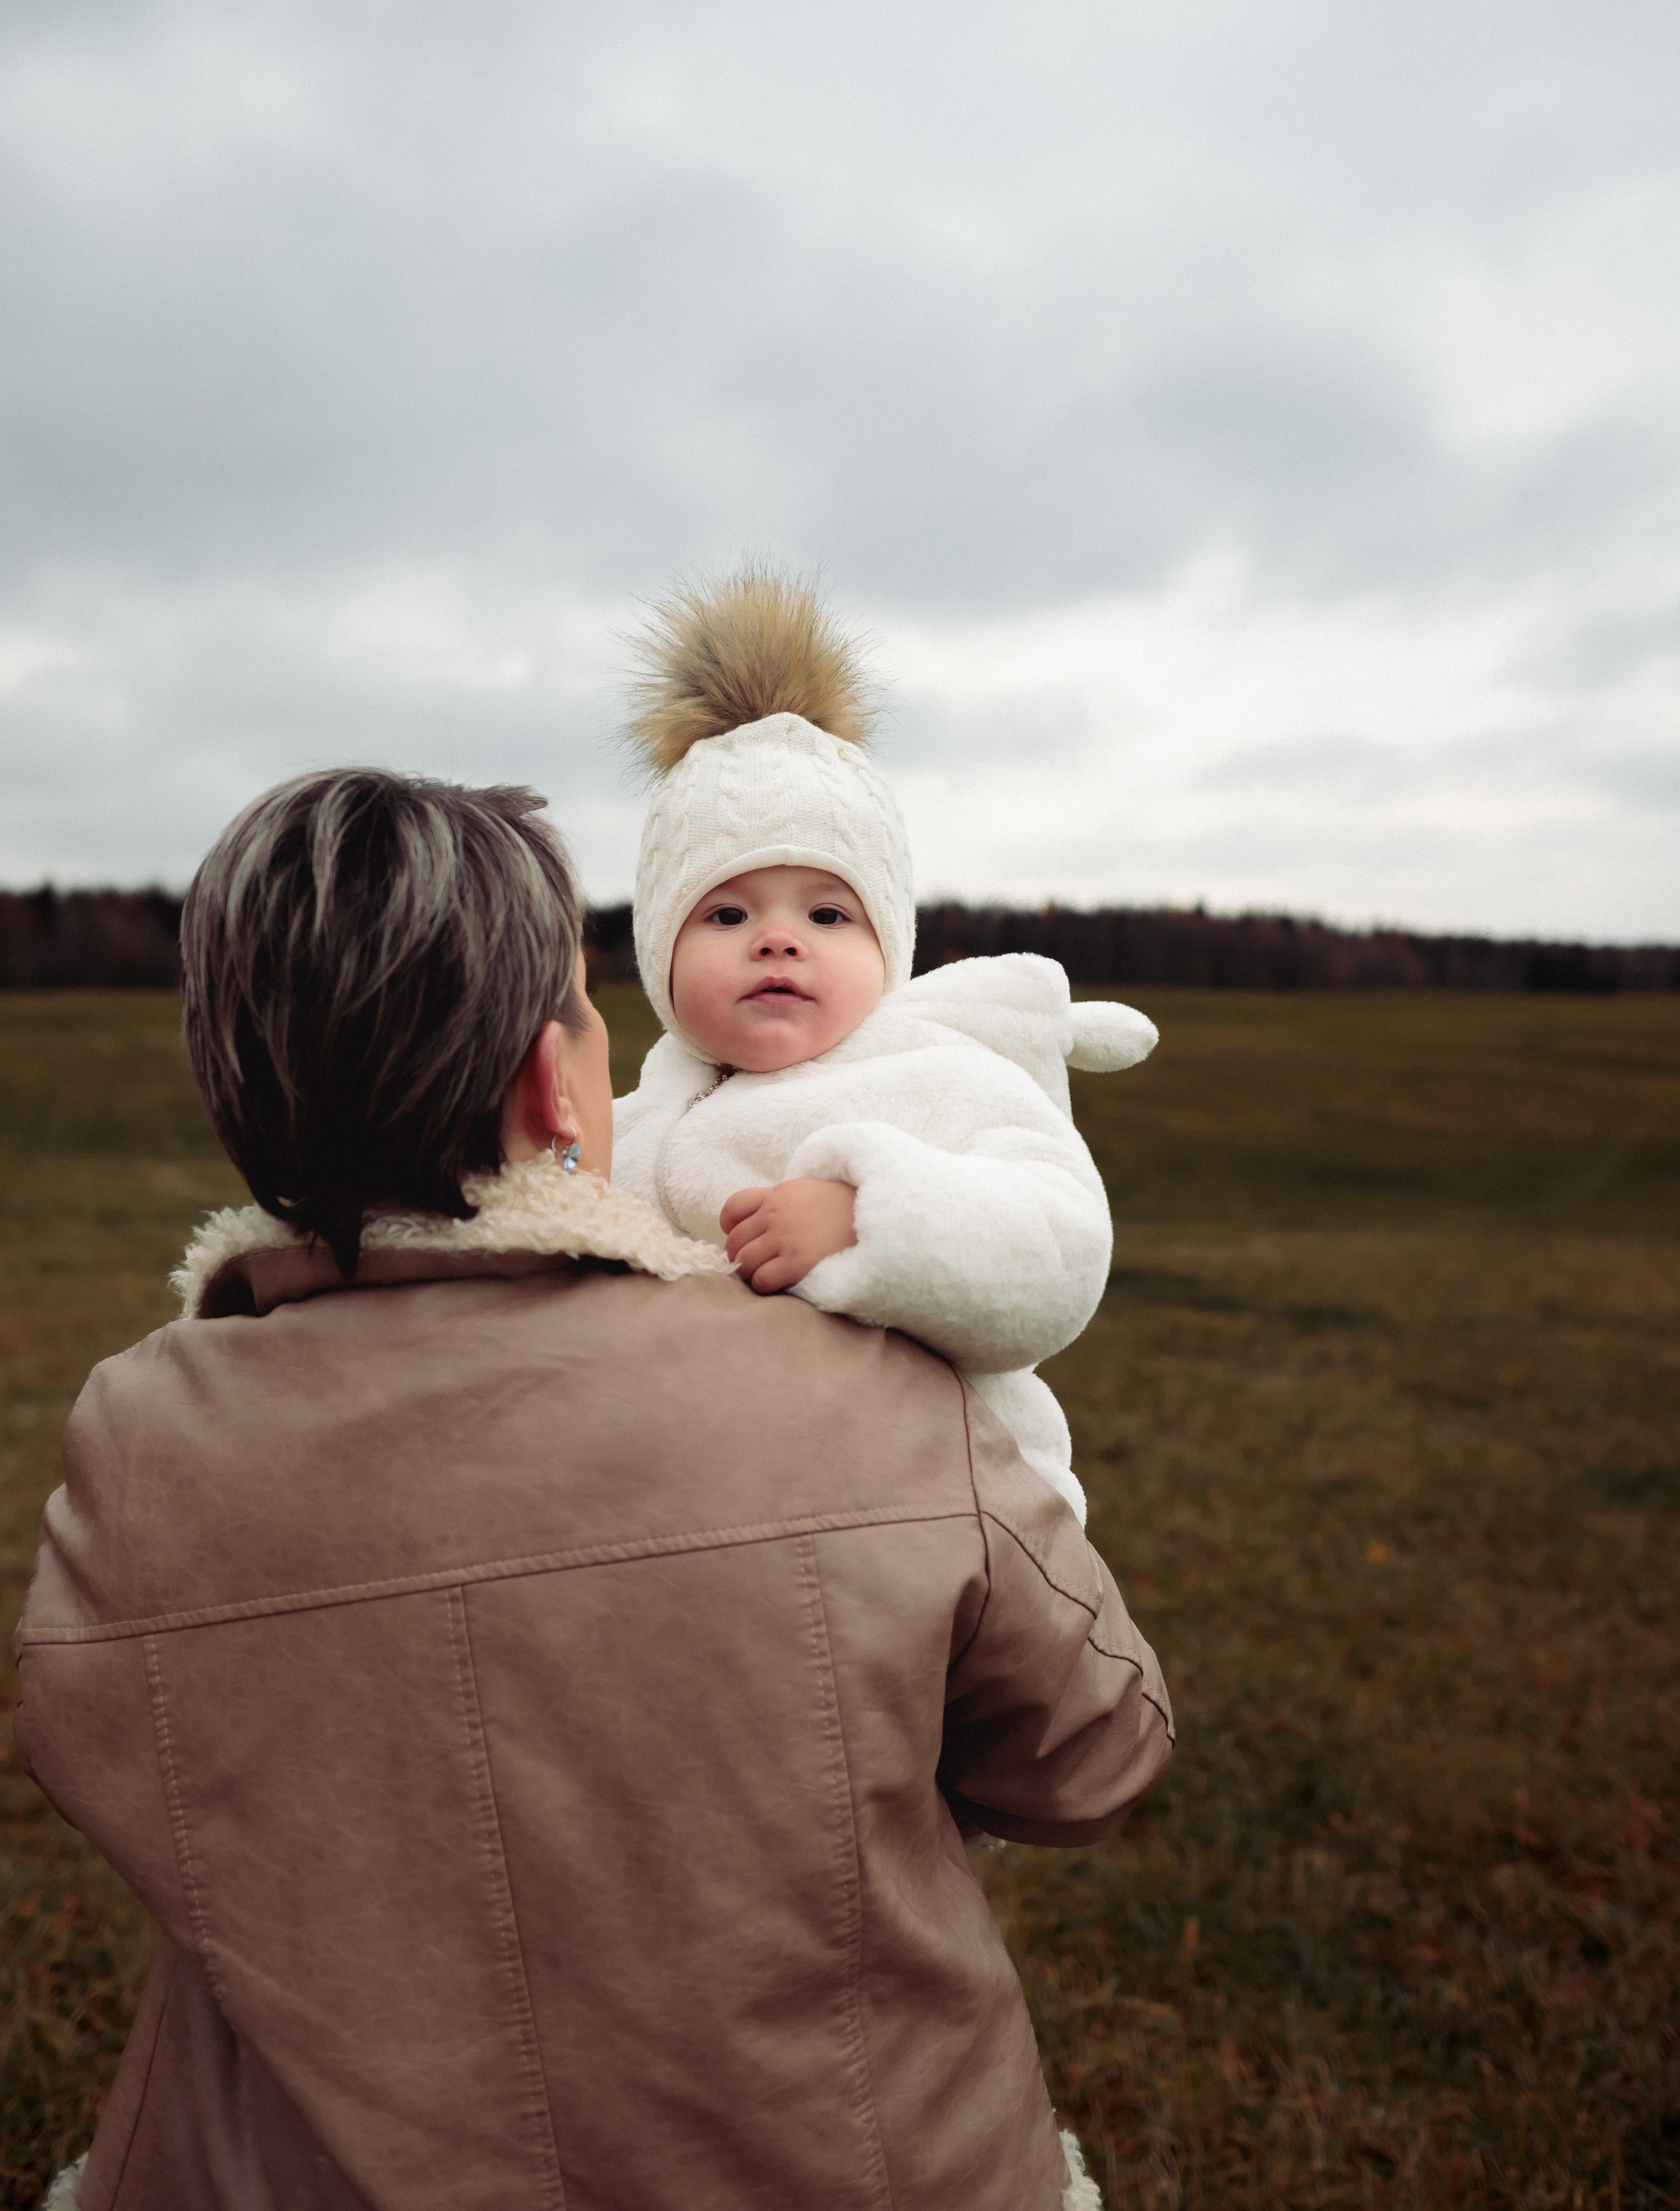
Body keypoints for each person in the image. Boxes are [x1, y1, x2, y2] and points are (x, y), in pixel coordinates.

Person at [14, 765, 1173, 2211]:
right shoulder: (852, 1383)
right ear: (552, 1081)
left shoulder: (134, 1444)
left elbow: (103, 1758)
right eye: (580, 1002)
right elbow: (1088, 1757)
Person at [613, 567, 1159, 1522]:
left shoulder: (941, 1078)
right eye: (727, 911)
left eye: (828, 911)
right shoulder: (635, 1120)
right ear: (659, 952)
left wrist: (871, 1218)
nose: (778, 938)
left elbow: (1060, 1249)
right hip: (722, 1533)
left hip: (960, 1524)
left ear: (889, 948)